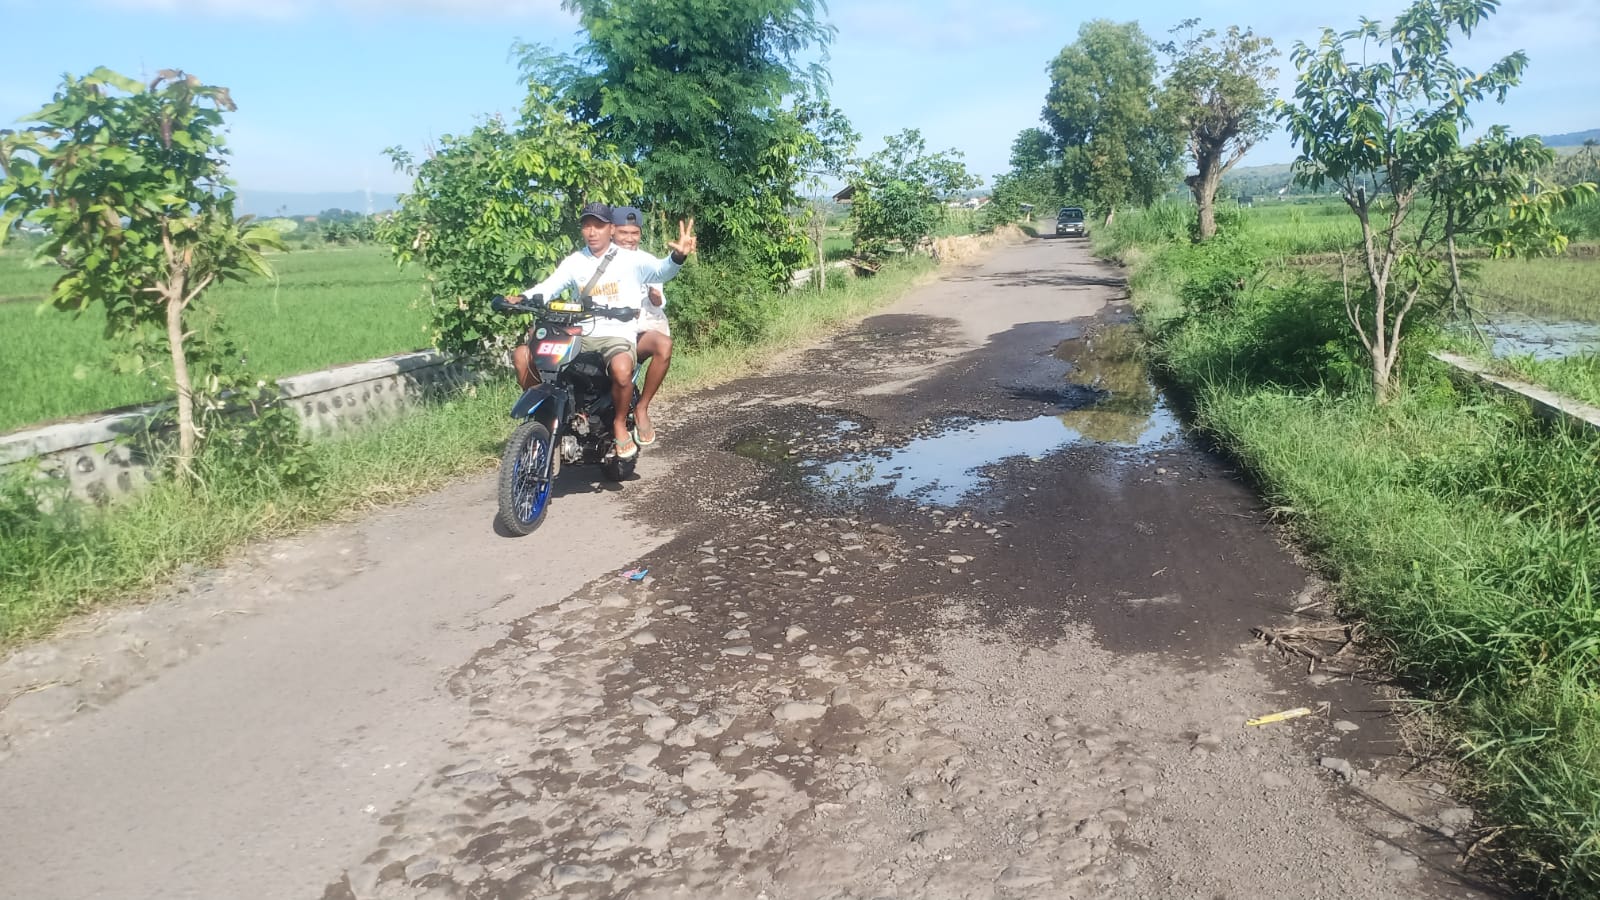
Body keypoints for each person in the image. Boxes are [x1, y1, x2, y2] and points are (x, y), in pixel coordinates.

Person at [511, 201, 697, 460]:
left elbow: (661, 270)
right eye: (586, 226)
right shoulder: (575, 261)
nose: (592, 232)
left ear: (610, 229)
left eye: (598, 226)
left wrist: (678, 257)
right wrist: (521, 298)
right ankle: (542, 421)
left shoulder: (632, 259)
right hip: (580, 333)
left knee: (622, 369)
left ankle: (619, 423)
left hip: (616, 334)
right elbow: (549, 286)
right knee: (523, 354)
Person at [609, 206, 673, 446]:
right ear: (612, 231)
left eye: (634, 233)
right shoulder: (599, 258)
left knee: (664, 345)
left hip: (637, 333)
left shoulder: (647, 261)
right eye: (624, 232)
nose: (629, 238)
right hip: (605, 332)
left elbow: (659, 300)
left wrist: (656, 297)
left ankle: (642, 408)